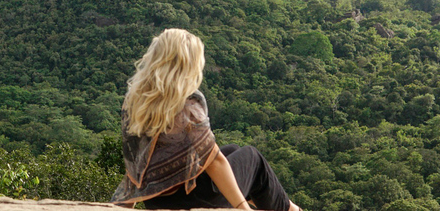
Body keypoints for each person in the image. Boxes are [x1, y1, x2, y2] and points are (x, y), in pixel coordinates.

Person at [111, 28, 299, 211]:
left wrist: (124, 203)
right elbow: (214, 161)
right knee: (252, 157)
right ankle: (290, 209)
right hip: (194, 199)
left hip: (157, 201)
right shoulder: (187, 103)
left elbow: (135, 161)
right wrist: (242, 208)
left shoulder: (135, 100)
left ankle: (286, 207)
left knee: (233, 150)